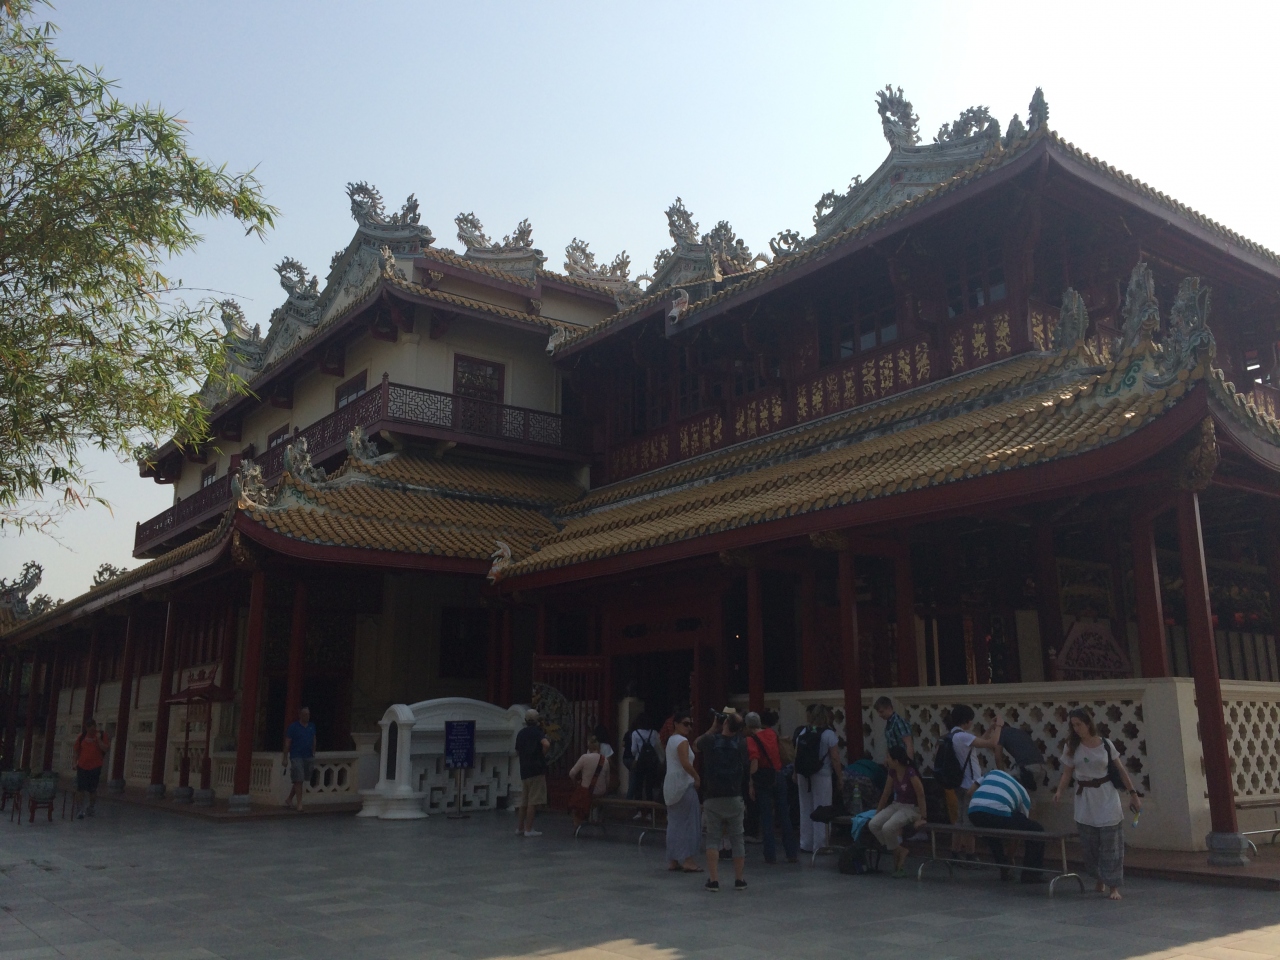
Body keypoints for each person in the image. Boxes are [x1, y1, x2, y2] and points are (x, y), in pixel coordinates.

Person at [1054, 707, 1141, 900]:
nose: (1076, 728)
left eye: (1079, 724)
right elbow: (1067, 772)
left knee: (1111, 843)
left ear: (1088, 723)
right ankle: (1099, 878)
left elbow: (1121, 770)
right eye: (1073, 725)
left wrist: (1133, 793)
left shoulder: (1106, 744)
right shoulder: (1072, 746)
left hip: (1106, 795)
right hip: (1085, 798)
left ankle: (1113, 886)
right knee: (1090, 844)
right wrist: (1059, 791)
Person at [697, 707, 749, 891]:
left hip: (713, 797)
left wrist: (713, 727)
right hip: (735, 796)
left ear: (725, 723)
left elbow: (696, 744)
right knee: (737, 838)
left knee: (713, 838)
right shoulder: (742, 743)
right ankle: (739, 879)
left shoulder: (711, 740)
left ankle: (714, 880)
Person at [968, 761, 1046, 883]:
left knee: (991, 834)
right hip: (999, 812)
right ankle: (1031, 874)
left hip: (974, 812)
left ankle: (1003, 866)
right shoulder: (1023, 792)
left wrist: (983, 800)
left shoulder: (994, 772)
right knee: (1037, 830)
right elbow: (1018, 834)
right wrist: (1011, 856)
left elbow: (970, 792)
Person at [943, 705, 1002, 856]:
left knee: (960, 820)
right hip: (970, 784)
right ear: (967, 721)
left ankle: (955, 852)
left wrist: (990, 728)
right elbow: (992, 743)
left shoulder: (953, 735)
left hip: (959, 782)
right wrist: (999, 727)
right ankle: (970, 855)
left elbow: (979, 741)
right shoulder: (963, 737)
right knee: (968, 821)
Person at [745, 710, 798, 864]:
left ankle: (770, 855)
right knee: (784, 815)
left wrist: (751, 782)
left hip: (763, 778)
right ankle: (791, 853)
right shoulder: (771, 733)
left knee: (767, 816)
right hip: (778, 774)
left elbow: (754, 761)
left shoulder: (751, 740)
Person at [868, 745, 927, 877]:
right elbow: (886, 793)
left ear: (896, 761)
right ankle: (898, 849)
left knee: (888, 828)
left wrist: (923, 817)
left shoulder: (910, 772)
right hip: (896, 805)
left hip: (911, 808)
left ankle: (896, 850)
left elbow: (921, 794)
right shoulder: (892, 772)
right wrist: (878, 812)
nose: (886, 760)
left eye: (888, 757)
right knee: (873, 824)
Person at [795, 704, 843, 854]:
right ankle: (821, 844)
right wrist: (840, 777)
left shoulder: (803, 731)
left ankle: (806, 843)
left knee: (805, 807)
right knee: (822, 808)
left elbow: (796, 754)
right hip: (822, 774)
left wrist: (795, 772)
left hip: (803, 774)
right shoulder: (828, 734)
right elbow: (835, 758)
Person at [663, 709, 702, 873]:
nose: (689, 727)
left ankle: (673, 859)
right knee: (689, 823)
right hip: (684, 783)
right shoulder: (682, 741)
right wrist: (697, 777)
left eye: (690, 724)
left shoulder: (671, 740)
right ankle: (688, 859)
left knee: (674, 823)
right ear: (676, 724)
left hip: (671, 784)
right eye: (686, 724)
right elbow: (685, 763)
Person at [515, 708, 551, 838]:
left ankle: (520, 827)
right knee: (533, 801)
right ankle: (528, 829)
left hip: (524, 769)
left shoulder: (521, 733)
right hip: (536, 769)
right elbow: (546, 744)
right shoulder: (537, 732)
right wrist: (541, 755)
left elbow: (517, 751)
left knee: (524, 801)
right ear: (537, 720)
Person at [567, 736, 609, 828]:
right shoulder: (605, 760)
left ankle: (577, 824)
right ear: (599, 748)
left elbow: (571, 774)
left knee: (574, 802)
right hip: (600, 792)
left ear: (589, 748)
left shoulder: (584, 758)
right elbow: (607, 780)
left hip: (586, 791)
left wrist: (575, 783)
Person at [281, 706, 317, 812]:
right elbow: (287, 743)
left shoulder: (312, 726)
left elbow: (314, 739)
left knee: (300, 779)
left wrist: (313, 752)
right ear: (300, 715)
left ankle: (289, 799)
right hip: (296, 756)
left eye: (308, 714)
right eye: (305, 714)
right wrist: (285, 758)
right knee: (299, 779)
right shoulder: (293, 727)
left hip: (308, 756)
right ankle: (299, 803)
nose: (307, 716)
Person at [72, 718, 109, 819]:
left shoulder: (101, 735)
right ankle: (79, 809)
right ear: (86, 728)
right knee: (80, 788)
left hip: (95, 767)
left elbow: (105, 749)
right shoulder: (82, 736)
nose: (92, 731)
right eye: (89, 730)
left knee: (93, 789)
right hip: (82, 766)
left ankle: (91, 807)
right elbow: (76, 751)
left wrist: (99, 740)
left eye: (93, 729)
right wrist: (74, 763)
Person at [627, 713, 662, 805]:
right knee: (649, 786)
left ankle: (639, 808)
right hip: (652, 761)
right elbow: (658, 747)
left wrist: (637, 756)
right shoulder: (654, 733)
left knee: (639, 784)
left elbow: (633, 750)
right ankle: (650, 808)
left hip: (640, 761)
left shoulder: (635, 733)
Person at [874, 696, 915, 763]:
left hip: (902, 761)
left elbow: (908, 744)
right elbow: (890, 744)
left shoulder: (898, 722)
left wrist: (909, 762)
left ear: (889, 708)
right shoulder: (890, 723)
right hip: (894, 762)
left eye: (881, 712)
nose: (880, 715)